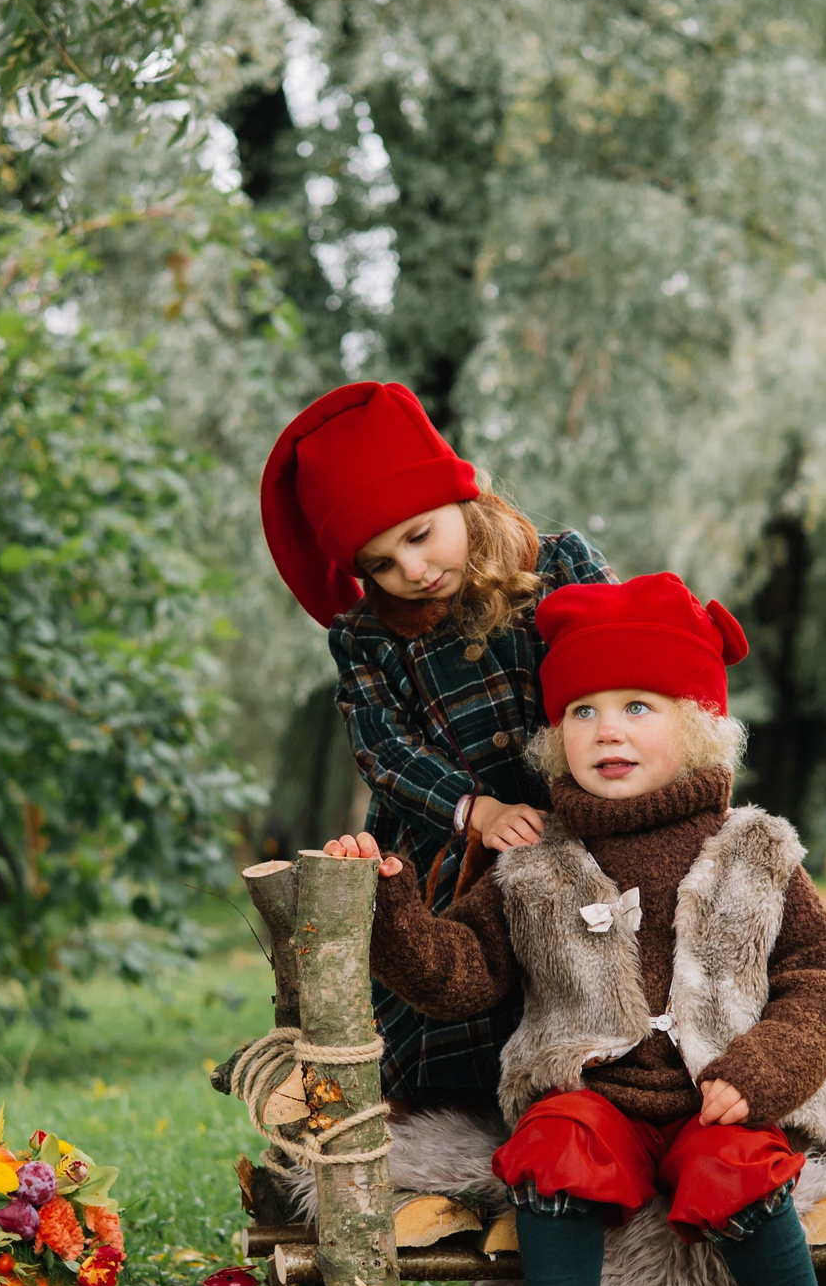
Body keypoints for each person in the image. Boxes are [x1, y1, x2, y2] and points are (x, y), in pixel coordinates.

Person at [325, 573, 826, 1286]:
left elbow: (818, 976)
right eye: (582, 711)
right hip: (598, 1095)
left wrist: (763, 1069)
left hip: (719, 1094)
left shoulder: (753, 850)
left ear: (698, 726)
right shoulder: (538, 862)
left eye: (638, 707)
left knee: (737, 1161)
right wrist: (388, 909)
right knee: (554, 1141)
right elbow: (461, 973)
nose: (607, 729)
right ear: (554, 741)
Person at [261, 382, 613, 1106]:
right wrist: (476, 810)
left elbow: (626, 666)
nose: (413, 572)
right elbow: (384, 749)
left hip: (584, 819)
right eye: (381, 564)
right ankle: (463, 1124)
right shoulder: (366, 636)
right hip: (447, 840)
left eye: (419, 537)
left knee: (601, 972)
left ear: (460, 496)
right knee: (457, 988)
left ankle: (607, 1097)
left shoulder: (558, 567)